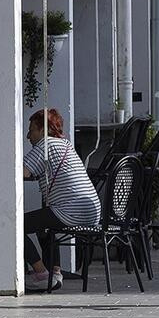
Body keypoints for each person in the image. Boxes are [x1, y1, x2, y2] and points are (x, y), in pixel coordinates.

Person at [22, 108, 100, 291]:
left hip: (71, 210)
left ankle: (41, 274)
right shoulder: (65, 145)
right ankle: (55, 273)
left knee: (16, 226)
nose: (28, 135)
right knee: (44, 226)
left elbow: (21, 172)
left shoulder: (45, 145)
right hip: (91, 211)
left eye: (31, 129)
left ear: (43, 130)